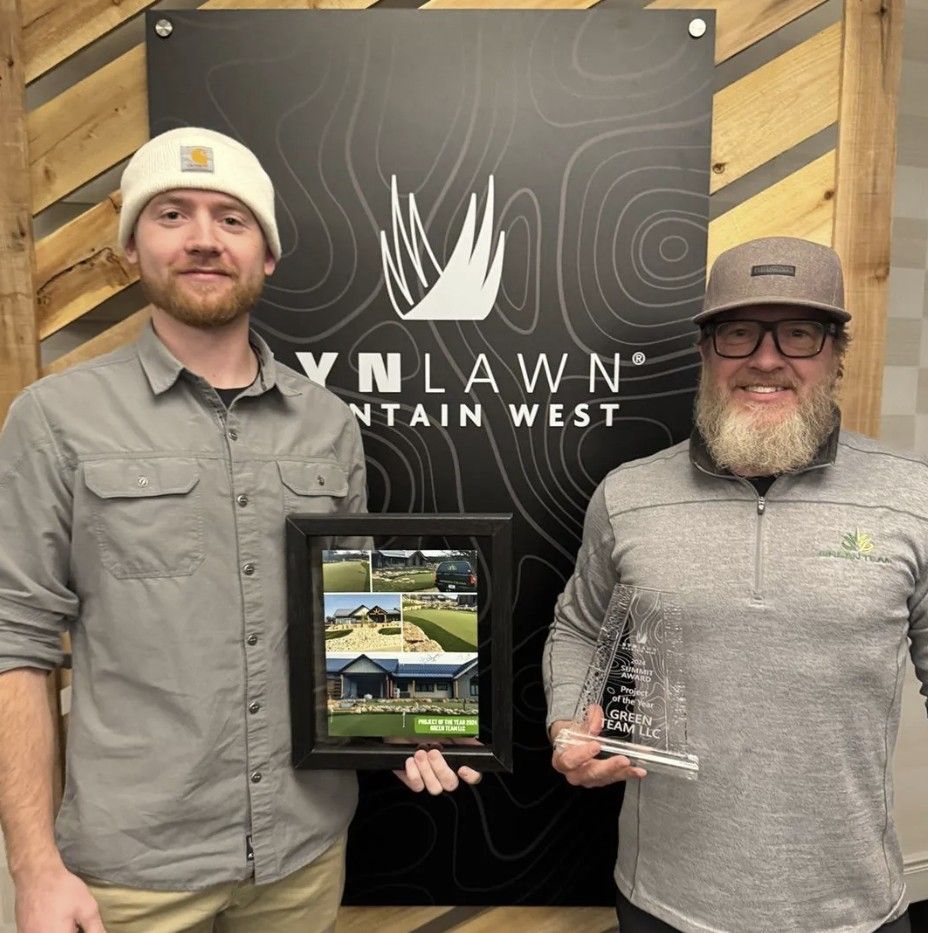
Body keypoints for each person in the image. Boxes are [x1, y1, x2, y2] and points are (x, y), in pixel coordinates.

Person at [0, 127, 479, 933]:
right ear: (129, 251)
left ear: (267, 256)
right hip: (133, 869)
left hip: (301, 850)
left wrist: (406, 724)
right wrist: (35, 867)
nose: (201, 240)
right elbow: (15, 643)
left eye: (231, 219)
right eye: (171, 215)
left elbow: (352, 612)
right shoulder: (55, 419)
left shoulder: (327, 423)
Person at [544, 237, 926, 933]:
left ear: (836, 353)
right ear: (706, 350)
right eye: (738, 331)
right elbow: (577, 626)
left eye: (800, 333)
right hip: (662, 901)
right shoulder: (628, 495)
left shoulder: (912, 499)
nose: (767, 357)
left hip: (852, 909)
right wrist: (569, 720)